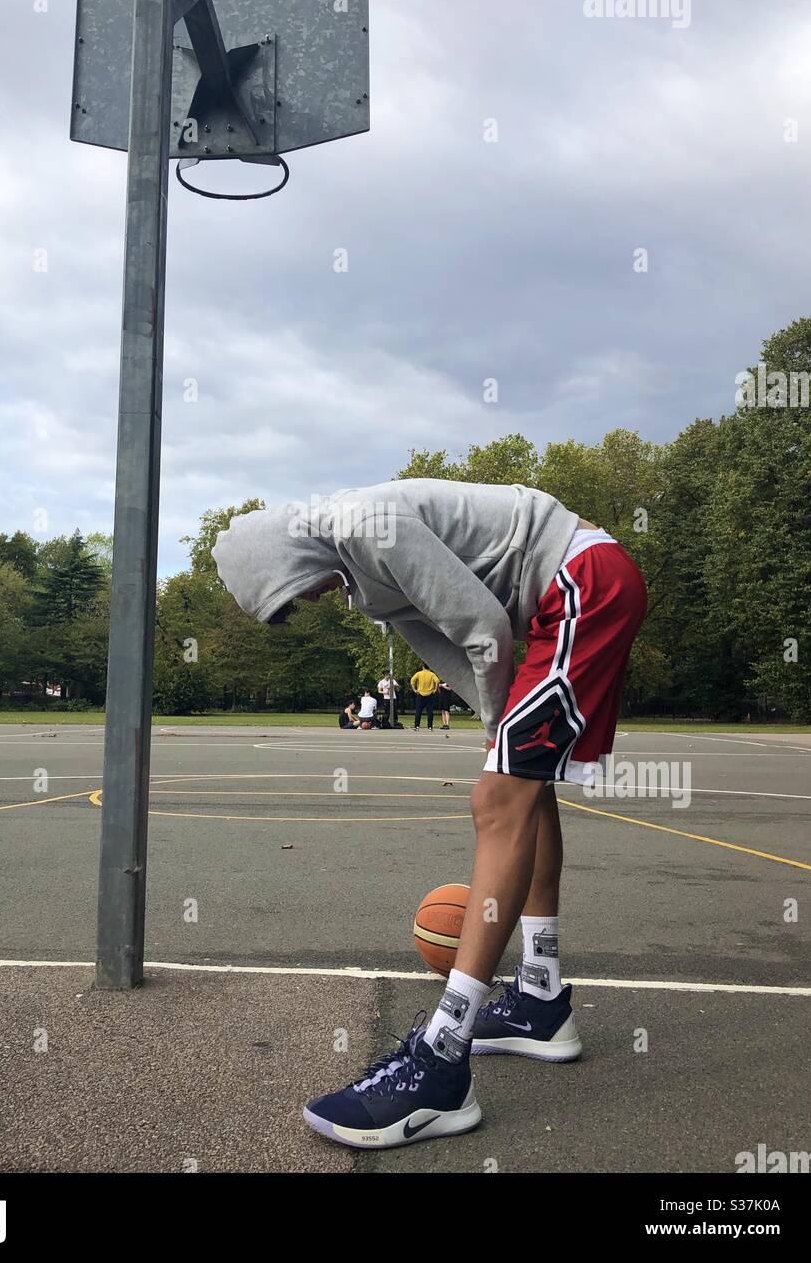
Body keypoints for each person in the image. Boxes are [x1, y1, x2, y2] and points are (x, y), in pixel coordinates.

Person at [212, 479, 646, 1150]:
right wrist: (492, 718)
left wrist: (500, 725)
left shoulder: (366, 524)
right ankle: (539, 1000)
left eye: (290, 593)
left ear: (287, 558)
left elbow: (480, 624)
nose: (306, 602)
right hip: (565, 598)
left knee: (498, 800)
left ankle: (441, 1065)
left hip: (583, 581)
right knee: (524, 791)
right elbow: (437, 639)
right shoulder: (359, 573)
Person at [410, 665, 440, 731]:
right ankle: (430, 726)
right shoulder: (432, 674)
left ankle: (416, 726)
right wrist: (435, 689)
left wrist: (414, 690)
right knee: (430, 711)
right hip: (429, 694)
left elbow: (412, 681)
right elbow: (437, 681)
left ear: (423, 667)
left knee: (418, 711)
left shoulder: (419, 673)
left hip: (420, 694)